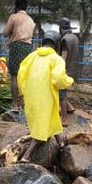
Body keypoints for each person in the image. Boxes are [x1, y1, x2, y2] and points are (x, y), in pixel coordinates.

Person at [17, 31, 73, 163]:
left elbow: (21, 75)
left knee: (49, 119)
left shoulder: (31, 56)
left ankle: (61, 142)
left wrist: (24, 92)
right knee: (40, 127)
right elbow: (58, 79)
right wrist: (69, 81)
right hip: (45, 96)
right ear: (57, 45)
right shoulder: (56, 59)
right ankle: (27, 156)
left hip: (31, 94)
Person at [3, 0, 35, 110]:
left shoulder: (14, 17)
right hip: (28, 48)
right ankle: (24, 103)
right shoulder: (31, 20)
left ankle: (15, 105)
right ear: (26, 7)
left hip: (17, 47)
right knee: (25, 76)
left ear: (16, 7)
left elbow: (5, 33)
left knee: (14, 76)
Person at [58, 17, 80, 125]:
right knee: (63, 92)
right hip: (74, 70)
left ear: (61, 28)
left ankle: (64, 119)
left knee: (61, 93)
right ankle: (69, 107)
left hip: (66, 70)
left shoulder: (65, 39)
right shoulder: (74, 37)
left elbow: (63, 57)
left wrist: (57, 70)